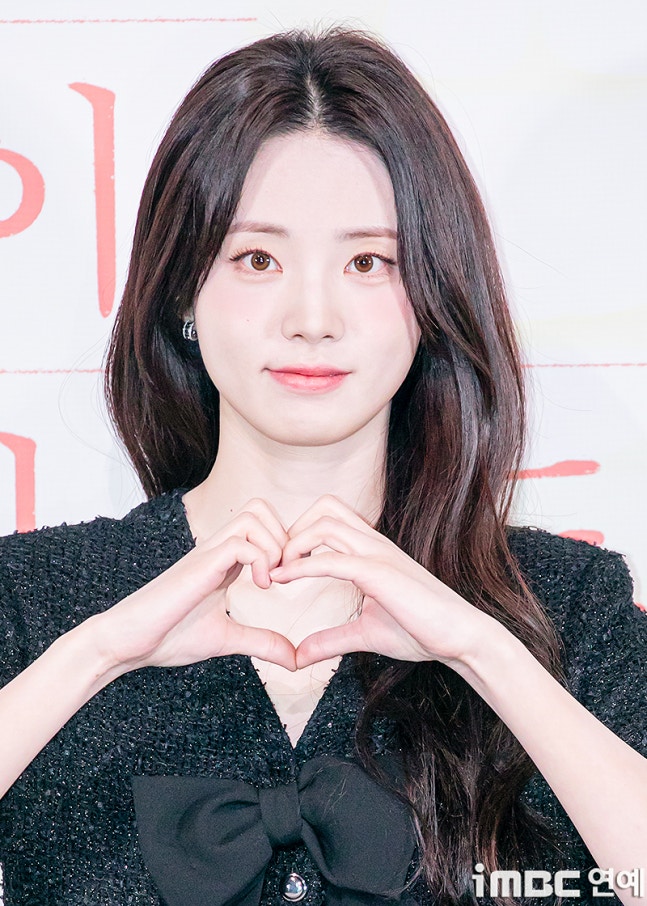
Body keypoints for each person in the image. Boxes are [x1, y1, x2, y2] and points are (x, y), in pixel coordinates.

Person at [0, 26, 645, 906]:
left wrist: (483, 651)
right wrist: (94, 655)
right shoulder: (34, 599)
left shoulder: (565, 606)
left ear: (433, 294)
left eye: (368, 262)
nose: (312, 317)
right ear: (184, 289)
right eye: (257, 259)